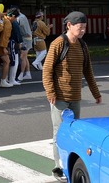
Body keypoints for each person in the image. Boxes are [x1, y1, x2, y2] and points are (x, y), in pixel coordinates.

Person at [42, 11, 101, 182]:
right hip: (59, 97)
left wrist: (95, 93)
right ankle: (58, 166)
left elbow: (88, 71)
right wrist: (50, 92)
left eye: (84, 27)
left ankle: (68, 163)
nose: (83, 30)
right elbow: (47, 70)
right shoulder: (59, 43)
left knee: (73, 131)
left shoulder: (82, 45)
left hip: (75, 96)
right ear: (69, 25)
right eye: (80, 27)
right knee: (59, 131)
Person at [16, 8, 32, 81]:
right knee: (25, 57)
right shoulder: (23, 16)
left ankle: (21, 74)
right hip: (28, 38)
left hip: (25, 39)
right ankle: (27, 73)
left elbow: (21, 29)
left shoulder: (20, 18)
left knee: (22, 57)